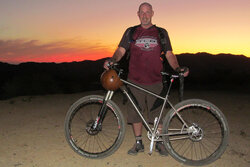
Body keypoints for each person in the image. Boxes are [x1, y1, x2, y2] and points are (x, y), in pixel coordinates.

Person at [104, 2, 189, 156]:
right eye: (142, 12)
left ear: (152, 13)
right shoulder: (131, 32)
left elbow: (169, 53)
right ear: (138, 14)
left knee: (157, 114)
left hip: (155, 81)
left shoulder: (161, 33)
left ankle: (160, 143)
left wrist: (177, 68)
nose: (144, 15)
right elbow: (121, 50)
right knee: (135, 113)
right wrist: (113, 60)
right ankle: (138, 143)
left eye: (147, 12)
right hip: (134, 80)